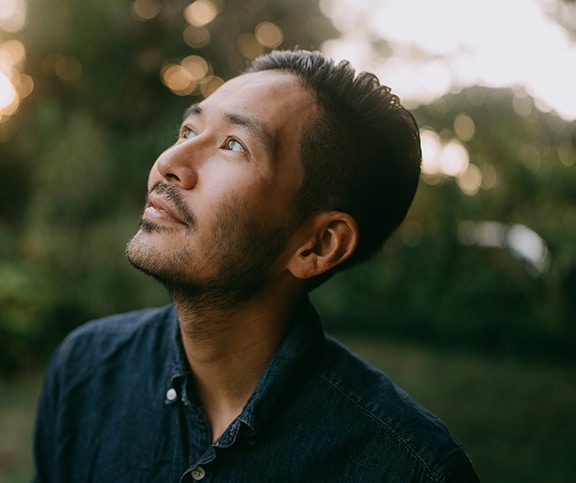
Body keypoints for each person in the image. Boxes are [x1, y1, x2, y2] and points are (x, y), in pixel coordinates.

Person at [32, 49, 479, 482]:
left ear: (318, 245)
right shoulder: (88, 369)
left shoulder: (407, 470)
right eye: (188, 131)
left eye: (233, 145)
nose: (169, 163)